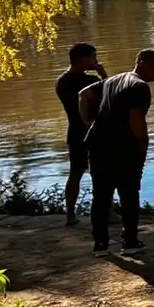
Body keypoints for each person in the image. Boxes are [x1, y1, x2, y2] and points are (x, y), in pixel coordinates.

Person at [80, 48, 154, 256]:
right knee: (129, 194)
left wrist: (89, 123)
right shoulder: (139, 86)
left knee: (101, 196)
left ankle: (100, 244)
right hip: (122, 147)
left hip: (97, 145)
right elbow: (136, 120)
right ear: (144, 63)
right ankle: (130, 242)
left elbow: (84, 95)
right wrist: (142, 148)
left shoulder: (114, 80)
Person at [54, 43, 106, 227]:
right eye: (93, 57)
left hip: (74, 131)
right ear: (82, 59)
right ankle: (107, 212)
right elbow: (109, 97)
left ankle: (70, 215)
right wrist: (103, 76)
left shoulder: (62, 81)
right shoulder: (89, 81)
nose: (96, 61)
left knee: (76, 173)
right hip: (92, 131)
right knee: (100, 173)